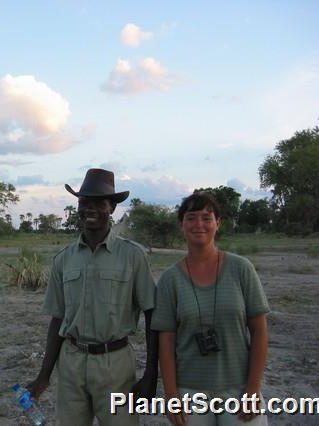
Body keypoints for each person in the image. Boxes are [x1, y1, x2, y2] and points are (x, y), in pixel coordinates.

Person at [27, 168, 159, 426]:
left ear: (111, 208)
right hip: (71, 363)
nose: (90, 209)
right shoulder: (64, 259)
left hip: (116, 365)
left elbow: (152, 313)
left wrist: (151, 375)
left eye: (99, 203)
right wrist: (44, 376)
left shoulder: (133, 255)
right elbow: (58, 319)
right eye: (84, 202)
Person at [151, 192, 270, 426]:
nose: (199, 224)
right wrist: (171, 394)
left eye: (207, 217)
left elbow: (259, 331)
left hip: (238, 387)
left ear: (218, 223)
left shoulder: (241, 269)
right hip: (189, 391)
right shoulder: (169, 280)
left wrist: (254, 388)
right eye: (191, 217)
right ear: (181, 225)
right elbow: (166, 341)